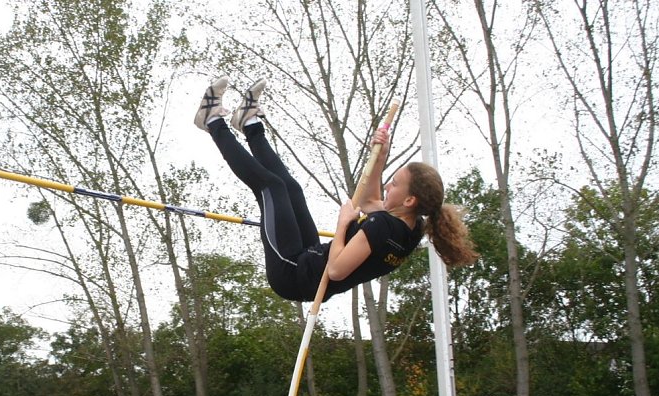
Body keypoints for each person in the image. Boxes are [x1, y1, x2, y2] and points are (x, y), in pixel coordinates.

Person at [194, 76, 478, 302]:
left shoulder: (382, 228)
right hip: (309, 258)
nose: (388, 186)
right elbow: (369, 202)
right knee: (292, 189)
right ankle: (249, 124)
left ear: (410, 199)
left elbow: (337, 269)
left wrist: (343, 225)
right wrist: (379, 157)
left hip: (291, 274)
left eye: (394, 183)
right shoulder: (410, 227)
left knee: (271, 187)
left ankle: (212, 121)